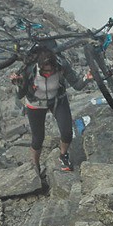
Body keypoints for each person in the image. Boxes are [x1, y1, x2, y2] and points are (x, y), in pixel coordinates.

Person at [12, 47, 74, 180]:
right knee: (38, 138)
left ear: (55, 66)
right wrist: (19, 84)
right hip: (35, 104)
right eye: (44, 71)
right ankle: (35, 164)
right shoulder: (30, 70)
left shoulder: (62, 66)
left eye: (51, 71)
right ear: (39, 67)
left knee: (67, 132)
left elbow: (78, 84)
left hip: (57, 100)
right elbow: (20, 95)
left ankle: (63, 156)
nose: (48, 73)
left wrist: (88, 78)